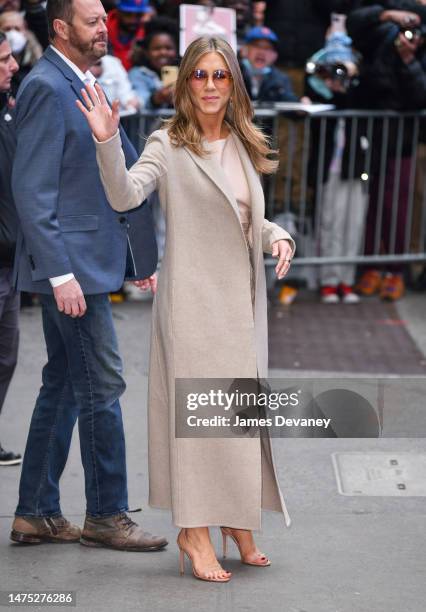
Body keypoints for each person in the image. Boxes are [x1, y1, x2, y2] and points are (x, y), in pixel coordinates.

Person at [78, 35, 295, 582]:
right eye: (200, 75)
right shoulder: (167, 144)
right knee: (199, 419)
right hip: (193, 302)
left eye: (221, 76)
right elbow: (126, 195)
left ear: (234, 83)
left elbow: (243, 218)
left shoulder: (244, 142)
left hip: (240, 300)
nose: (210, 86)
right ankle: (194, 532)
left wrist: (277, 236)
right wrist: (108, 142)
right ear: (184, 83)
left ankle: (233, 518)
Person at [10, 0, 166, 552]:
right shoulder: (47, 87)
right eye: (93, 21)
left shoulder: (78, 81)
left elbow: (119, 171)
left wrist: (140, 259)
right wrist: (59, 275)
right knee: (102, 386)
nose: (105, 28)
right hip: (71, 272)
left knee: (65, 385)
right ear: (61, 28)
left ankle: (36, 512)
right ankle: (105, 514)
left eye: (105, 19)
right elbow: (31, 190)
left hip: (87, 265)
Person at [347, 3, 426, 300]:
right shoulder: (380, 20)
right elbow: (354, 22)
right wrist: (387, 16)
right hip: (372, 130)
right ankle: (370, 267)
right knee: (373, 202)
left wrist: (408, 61)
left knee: (400, 205)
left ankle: (395, 271)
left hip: (406, 135)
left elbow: (420, 95)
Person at [0, 29, 20, 466]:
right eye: (3, 60)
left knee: (6, 357)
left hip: (10, 261)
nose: (12, 65)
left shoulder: (8, 110)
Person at [128, 15, 178, 109]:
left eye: (168, 48)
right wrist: (156, 99)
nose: (163, 52)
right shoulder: (137, 74)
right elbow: (139, 103)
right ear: (147, 52)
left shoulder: (183, 74)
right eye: (157, 48)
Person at [0, 10, 43, 98]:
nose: (13, 34)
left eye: (17, 29)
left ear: (25, 29)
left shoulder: (38, 62)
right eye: (7, 29)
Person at [107, 0, 153, 71]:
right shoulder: (103, 30)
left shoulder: (147, 33)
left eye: (138, 15)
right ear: (119, 12)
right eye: (128, 15)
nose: (133, 20)